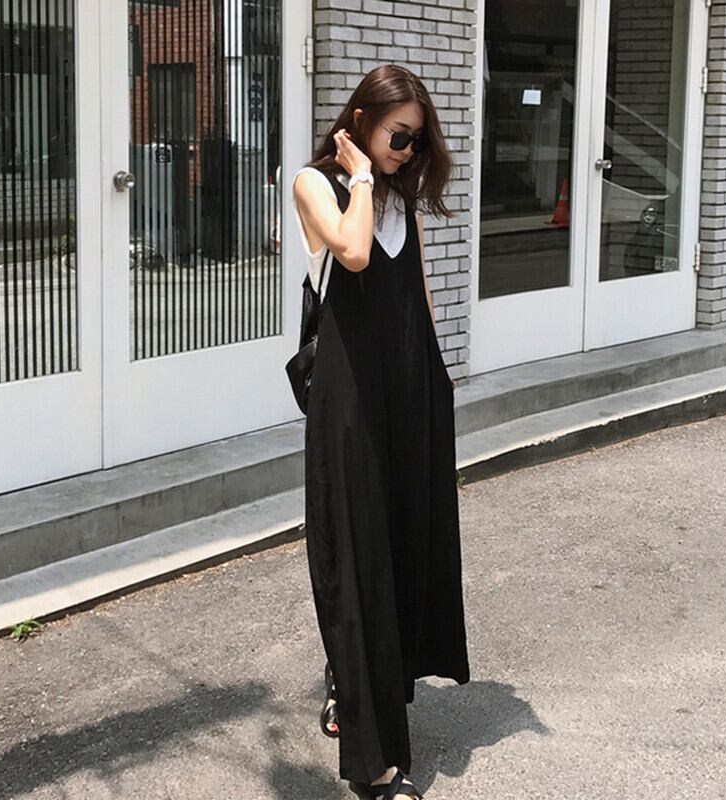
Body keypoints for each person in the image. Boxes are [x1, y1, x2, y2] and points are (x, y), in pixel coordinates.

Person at [291, 64, 470, 800]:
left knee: (401, 547)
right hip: (350, 404)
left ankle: (357, 679)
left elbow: (417, 298)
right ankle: (373, 767)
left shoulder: (403, 200)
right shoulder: (314, 184)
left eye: (417, 142)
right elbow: (353, 252)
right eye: (399, 136)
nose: (407, 152)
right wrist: (361, 175)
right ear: (360, 120)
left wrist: (438, 384)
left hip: (408, 396)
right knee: (357, 557)